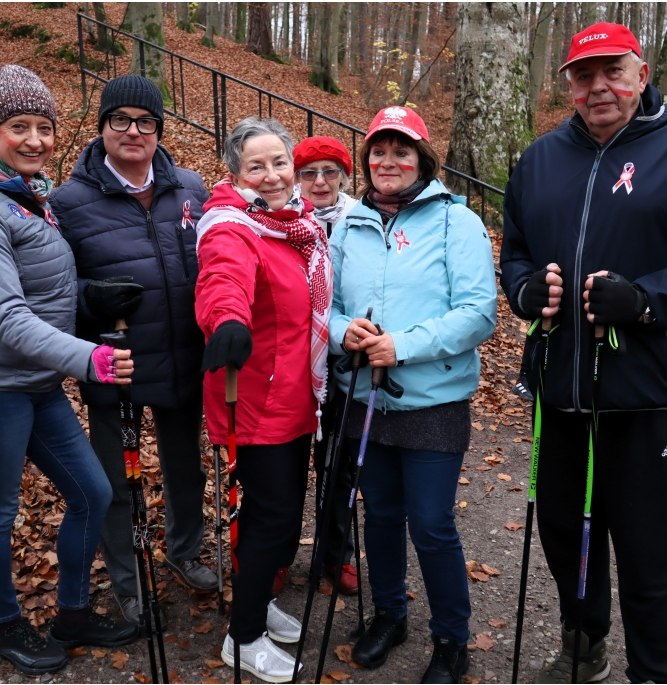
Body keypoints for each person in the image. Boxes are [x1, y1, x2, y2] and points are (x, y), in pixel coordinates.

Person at [500, 24, 667, 683]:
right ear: (569, 86)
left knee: (643, 552)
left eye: (612, 70)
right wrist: (526, 291)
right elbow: (516, 254)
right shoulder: (539, 158)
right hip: (562, 394)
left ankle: (655, 670)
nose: (599, 86)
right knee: (567, 534)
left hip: (647, 395)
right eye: (584, 75)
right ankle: (585, 646)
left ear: (641, 74)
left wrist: (644, 300)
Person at [0, 65, 138, 675]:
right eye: (18, 126)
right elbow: (4, 316)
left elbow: (43, 290)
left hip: (37, 383)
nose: (35, 140)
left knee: (92, 492)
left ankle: (72, 615)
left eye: (45, 127)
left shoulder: (27, 197)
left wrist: (89, 300)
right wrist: (91, 360)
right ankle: (4, 626)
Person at [330, 106, 497, 684]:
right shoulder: (347, 223)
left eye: (402, 151)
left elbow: (479, 314)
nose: (388, 161)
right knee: (379, 514)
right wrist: (340, 331)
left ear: (423, 159)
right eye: (379, 150)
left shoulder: (458, 222)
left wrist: (402, 345)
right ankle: (389, 614)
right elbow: (320, 305)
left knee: (430, 522)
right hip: (364, 398)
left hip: (434, 401)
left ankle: (451, 636)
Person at [49, 74, 217, 620]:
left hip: (184, 355)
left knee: (185, 468)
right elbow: (48, 286)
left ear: (159, 130)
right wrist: (88, 297)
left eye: (145, 122)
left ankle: (184, 552)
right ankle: (127, 579)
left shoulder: (190, 188)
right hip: (113, 361)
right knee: (116, 478)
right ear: (102, 127)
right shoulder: (67, 202)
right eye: (120, 119)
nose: (133, 131)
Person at [194, 116, 330, 682]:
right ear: (236, 172)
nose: (272, 175)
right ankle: (243, 636)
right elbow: (222, 277)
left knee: (274, 516)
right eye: (257, 165)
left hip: (299, 395)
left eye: (279, 163)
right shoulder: (232, 224)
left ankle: (256, 604)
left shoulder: (296, 224)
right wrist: (226, 320)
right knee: (273, 519)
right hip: (255, 398)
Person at [270, 135, 360, 598]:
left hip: (341, 367)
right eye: (308, 172)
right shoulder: (277, 221)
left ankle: (335, 554)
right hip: (286, 365)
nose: (319, 181)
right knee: (281, 470)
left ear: (344, 176)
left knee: (339, 468)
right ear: (295, 178)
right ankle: (275, 556)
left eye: (329, 172)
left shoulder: (360, 223)